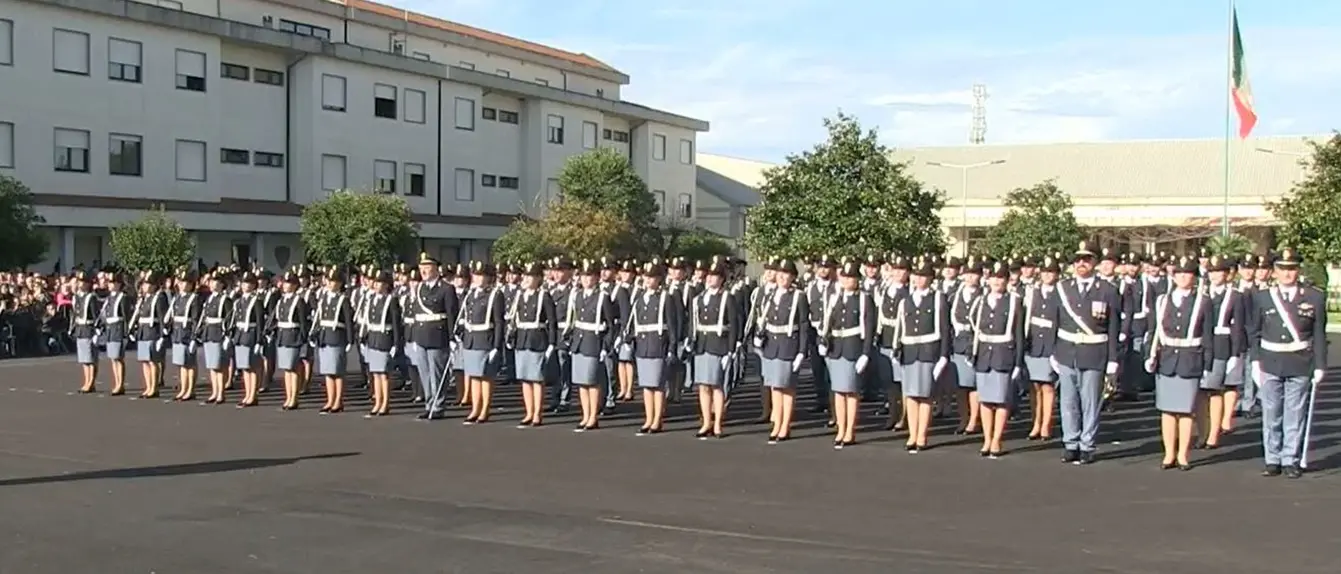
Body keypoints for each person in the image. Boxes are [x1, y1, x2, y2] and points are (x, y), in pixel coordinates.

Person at [1247, 248, 1327, 479]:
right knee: (1272, 413)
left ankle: (1290, 458)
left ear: (1298, 270)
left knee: (1295, 412)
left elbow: (1319, 333)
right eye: (1282, 269)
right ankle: (1272, 458)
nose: (1287, 273)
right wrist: (1254, 361)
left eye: (1291, 269)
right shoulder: (1262, 297)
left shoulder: (1314, 297)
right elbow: (1254, 332)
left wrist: (1320, 365)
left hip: (1300, 361)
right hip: (1270, 360)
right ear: (1275, 271)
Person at [1049, 242, 1122, 465]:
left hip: (1094, 352)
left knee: (1090, 402)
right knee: (1068, 402)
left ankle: (1087, 444)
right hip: (1066, 351)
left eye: (1087, 259)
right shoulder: (1063, 288)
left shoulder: (1108, 290)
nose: (1081, 263)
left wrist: (1112, 360)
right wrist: (1053, 352)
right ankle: (1070, 443)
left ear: (1095, 263)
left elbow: (1113, 327)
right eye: (1078, 259)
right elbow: (1055, 321)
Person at [1144, 256, 1215, 470]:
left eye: (1188, 274)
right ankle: (1168, 454)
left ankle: (1183, 454)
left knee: (1185, 411)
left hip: (1189, 358)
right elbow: (1153, 329)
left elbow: (1208, 335)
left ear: (1194, 277)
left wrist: (1207, 363)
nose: (1184, 277)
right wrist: (1150, 355)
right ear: (1173, 277)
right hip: (1166, 359)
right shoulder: (1162, 300)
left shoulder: (1203, 301)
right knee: (1166, 410)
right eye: (1180, 274)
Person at [897, 257, 952, 453]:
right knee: (911, 396)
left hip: (929, 352)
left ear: (931, 278)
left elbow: (945, 329)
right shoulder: (906, 300)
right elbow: (901, 328)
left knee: (926, 396)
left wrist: (944, 355)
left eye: (924, 276)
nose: (919, 280)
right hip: (910, 352)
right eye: (917, 276)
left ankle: (922, 435)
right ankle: (912, 434)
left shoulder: (938, 299)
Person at [971, 260, 1025, 458]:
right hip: (984, 354)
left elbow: (1019, 334)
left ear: (1006, 280)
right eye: (993, 277)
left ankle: (996, 440)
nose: (996, 281)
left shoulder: (1014, 301)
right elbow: (973, 326)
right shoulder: (981, 300)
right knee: (985, 400)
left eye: (1000, 278)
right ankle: (986, 439)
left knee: (1001, 400)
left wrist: (1018, 362)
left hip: (1004, 355)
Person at [820, 261, 875, 449]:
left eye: (851, 277)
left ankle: (850, 430)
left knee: (851, 392)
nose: (846, 280)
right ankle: (840, 428)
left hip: (853, 349)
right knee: (838, 391)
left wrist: (866, 353)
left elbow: (869, 328)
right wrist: (823, 341)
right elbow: (828, 322)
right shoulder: (835, 297)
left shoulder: (863, 299)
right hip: (836, 348)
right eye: (844, 276)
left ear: (857, 280)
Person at [1197, 255, 1247, 447]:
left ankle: (1213, 434)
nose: (1215, 275)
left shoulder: (1235, 296)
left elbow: (1238, 326)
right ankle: (1203, 431)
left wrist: (1235, 353)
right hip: (1200, 344)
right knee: (1200, 392)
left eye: (1219, 272)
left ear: (1227, 274)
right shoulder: (1201, 293)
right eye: (1212, 272)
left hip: (1221, 344)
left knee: (1214, 389)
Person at [758, 259, 809, 444]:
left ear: (793, 277)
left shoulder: (798, 296)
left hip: (788, 345)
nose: (781, 276)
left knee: (787, 388)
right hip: (771, 345)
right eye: (779, 273)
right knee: (774, 387)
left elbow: (803, 325)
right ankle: (776, 423)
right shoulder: (770, 294)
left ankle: (785, 426)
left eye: (786, 273)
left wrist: (802, 351)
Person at [630, 261, 683, 435]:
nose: (648, 280)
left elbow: (672, 325)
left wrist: (672, 348)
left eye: (651, 277)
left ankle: (657, 420)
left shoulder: (664, 298)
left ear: (659, 279)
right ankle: (648, 418)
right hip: (643, 346)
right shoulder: (639, 298)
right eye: (646, 276)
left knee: (657, 385)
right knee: (646, 386)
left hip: (658, 344)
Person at [689, 261, 740, 439]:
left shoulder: (727, 297)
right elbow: (693, 323)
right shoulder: (699, 298)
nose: (710, 278)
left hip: (718, 345)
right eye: (708, 275)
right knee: (703, 386)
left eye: (714, 276)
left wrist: (730, 350)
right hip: (702, 344)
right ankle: (706, 422)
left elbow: (734, 324)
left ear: (721, 279)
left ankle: (718, 423)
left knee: (717, 386)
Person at [567, 260, 617, 431]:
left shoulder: (602, 297)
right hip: (579, 342)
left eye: (590, 276)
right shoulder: (578, 295)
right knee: (582, 382)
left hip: (593, 342)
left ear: (596, 278)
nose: (587, 279)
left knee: (592, 381)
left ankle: (593, 416)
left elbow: (610, 325)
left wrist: (606, 346)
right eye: (584, 276)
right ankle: (585, 415)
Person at [409, 253, 459, 421]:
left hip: (438, 335)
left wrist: (452, 337)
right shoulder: (420, 288)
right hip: (422, 334)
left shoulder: (446, 288)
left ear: (436, 268)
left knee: (437, 373)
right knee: (425, 373)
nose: (423, 270)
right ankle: (429, 404)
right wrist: (415, 336)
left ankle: (438, 405)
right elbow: (416, 314)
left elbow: (452, 314)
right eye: (421, 267)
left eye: (427, 267)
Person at [510, 262, 558, 427]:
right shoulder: (520, 295)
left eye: (531, 276)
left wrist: (552, 343)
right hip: (522, 339)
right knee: (525, 378)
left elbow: (552, 321)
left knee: (537, 379)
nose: (528, 279)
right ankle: (528, 412)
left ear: (538, 278)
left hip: (537, 339)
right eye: (526, 275)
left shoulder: (543, 296)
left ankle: (537, 413)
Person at [459, 262, 507, 425]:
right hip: (471, 339)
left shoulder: (495, 295)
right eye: (477, 275)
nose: (479, 279)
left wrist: (496, 346)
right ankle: (475, 408)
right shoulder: (470, 294)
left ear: (489, 278)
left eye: (483, 276)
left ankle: (485, 409)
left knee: (485, 376)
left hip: (485, 338)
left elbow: (499, 322)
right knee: (473, 376)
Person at [948, 258, 983, 435]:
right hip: (959, 343)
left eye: (974, 274)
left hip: (976, 343)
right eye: (968, 274)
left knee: (974, 385)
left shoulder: (983, 295)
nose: (971, 278)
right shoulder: (955, 295)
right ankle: (963, 418)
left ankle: (973, 420)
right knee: (961, 386)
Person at [312, 267, 354, 414]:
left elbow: (348, 321)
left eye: (335, 281)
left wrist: (350, 340)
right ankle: (330, 400)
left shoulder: (343, 300)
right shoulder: (323, 298)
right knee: (328, 372)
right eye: (330, 281)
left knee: (337, 372)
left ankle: (338, 401)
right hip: (324, 336)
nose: (331, 284)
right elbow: (318, 318)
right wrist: (314, 334)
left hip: (337, 337)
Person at [361, 270, 403, 418]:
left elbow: (397, 324)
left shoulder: (391, 300)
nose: (378, 285)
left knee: (384, 374)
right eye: (376, 282)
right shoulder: (372, 299)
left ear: (387, 285)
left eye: (381, 283)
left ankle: (385, 403)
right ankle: (377, 402)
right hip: (373, 338)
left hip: (385, 338)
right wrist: (363, 338)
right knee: (376, 374)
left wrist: (396, 344)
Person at [271, 270, 311, 410]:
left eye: (290, 283)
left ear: (295, 286)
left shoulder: (298, 301)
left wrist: (303, 339)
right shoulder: (281, 300)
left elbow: (302, 321)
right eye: (285, 283)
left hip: (293, 336)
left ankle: (294, 398)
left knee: (293, 369)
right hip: (283, 336)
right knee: (286, 370)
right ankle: (288, 397)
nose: (286, 286)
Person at [131, 271, 170, 399]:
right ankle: (148, 387)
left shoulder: (158, 298)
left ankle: (154, 387)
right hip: (143, 332)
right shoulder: (143, 299)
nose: (146, 287)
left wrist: (162, 336)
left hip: (153, 332)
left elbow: (162, 317)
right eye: (144, 284)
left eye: (149, 284)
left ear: (154, 286)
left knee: (153, 361)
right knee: (145, 361)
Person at [230, 272, 267, 407]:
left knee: (252, 367)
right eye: (244, 283)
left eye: (249, 284)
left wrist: (259, 341)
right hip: (240, 335)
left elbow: (259, 323)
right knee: (244, 367)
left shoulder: (256, 302)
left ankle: (253, 395)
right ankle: (247, 394)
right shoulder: (239, 301)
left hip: (250, 335)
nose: (246, 286)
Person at [198, 272, 235, 405]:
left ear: (222, 284)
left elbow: (230, 319)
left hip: (219, 333)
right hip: (209, 332)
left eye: (216, 282)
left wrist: (227, 336)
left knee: (220, 366)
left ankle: (221, 393)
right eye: (212, 282)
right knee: (212, 366)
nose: (213, 284)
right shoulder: (209, 298)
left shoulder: (225, 300)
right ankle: (214, 391)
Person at [168, 271, 204, 402]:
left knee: (190, 363)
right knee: (181, 364)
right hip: (177, 333)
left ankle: (190, 390)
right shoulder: (177, 298)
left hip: (187, 333)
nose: (183, 285)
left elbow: (195, 319)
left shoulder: (194, 299)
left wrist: (195, 337)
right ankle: (183, 388)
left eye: (186, 283)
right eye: (182, 282)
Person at [96, 273, 133, 395]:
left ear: (119, 284)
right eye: (110, 283)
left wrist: (126, 332)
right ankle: (116, 382)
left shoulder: (123, 297)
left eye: (113, 283)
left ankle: (120, 384)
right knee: (113, 358)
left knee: (118, 358)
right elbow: (104, 314)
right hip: (110, 329)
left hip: (118, 329)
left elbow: (126, 316)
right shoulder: (109, 298)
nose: (111, 285)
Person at [70, 271, 100, 393]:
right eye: (80, 282)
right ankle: (86, 381)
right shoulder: (77, 297)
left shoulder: (91, 297)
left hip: (88, 328)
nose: (81, 284)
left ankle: (91, 382)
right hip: (80, 329)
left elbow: (95, 315)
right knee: (83, 359)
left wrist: (96, 331)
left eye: (83, 282)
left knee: (90, 358)